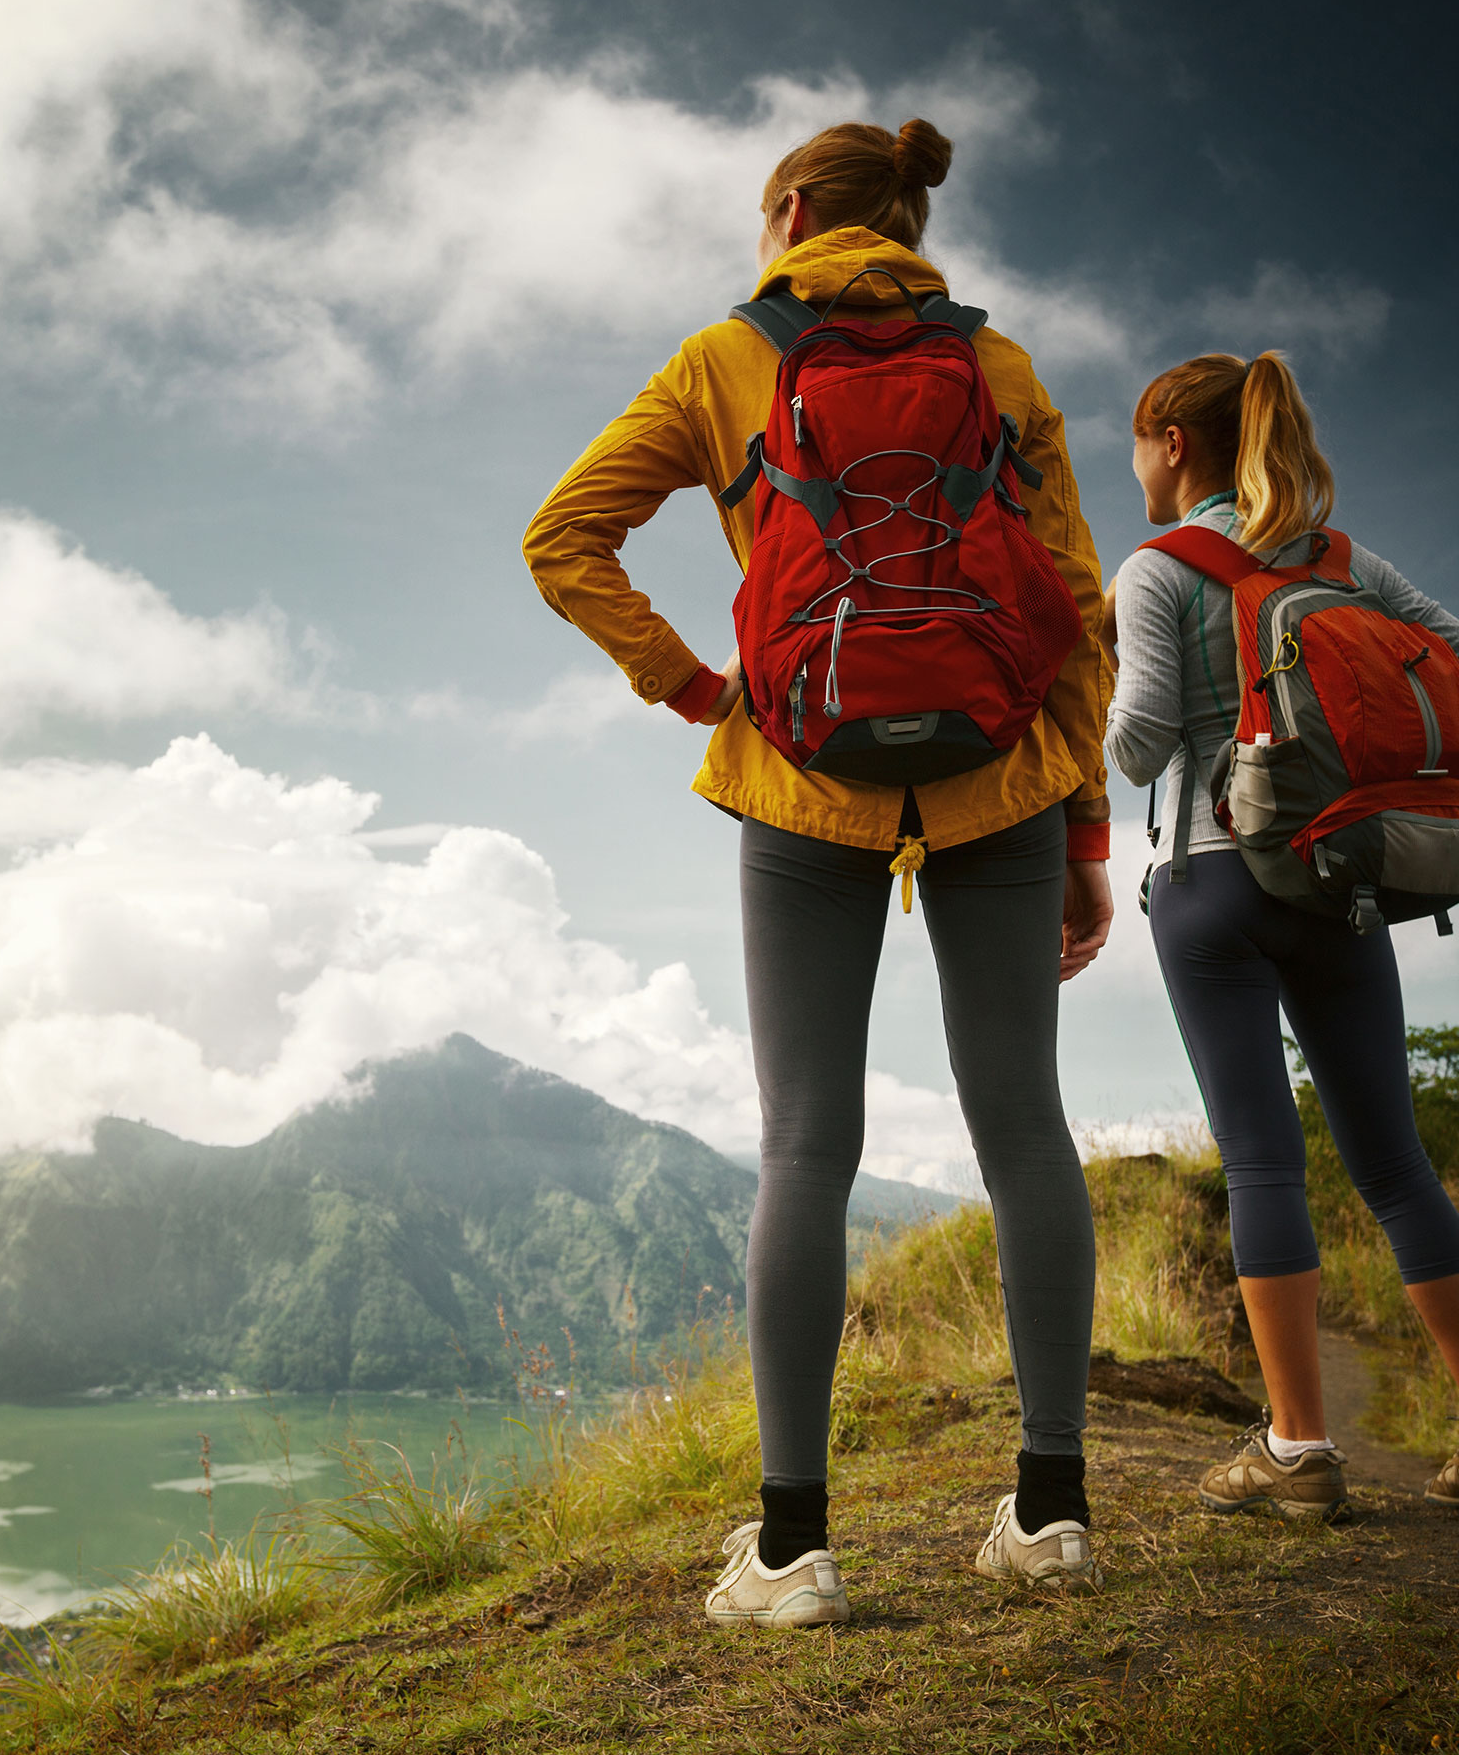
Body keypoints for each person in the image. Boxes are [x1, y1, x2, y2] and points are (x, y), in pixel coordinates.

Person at [523, 118, 1116, 1622]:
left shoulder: (724, 358)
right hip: (1002, 780)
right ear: (909, 221)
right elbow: (1080, 607)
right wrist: (1085, 828)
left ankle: (792, 1552)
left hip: (800, 775)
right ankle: (1052, 1517)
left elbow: (563, 538)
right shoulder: (999, 367)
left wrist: (695, 688)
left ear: (788, 213)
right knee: (1025, 1130)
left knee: (805, 1144)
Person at [1105, 350, 1459, 1518]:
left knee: (1263, 1161)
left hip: (1216, 887)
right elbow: (1446, 657)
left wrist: (1102, 679)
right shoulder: (1347, 562)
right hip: (1340, 881)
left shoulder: (1157, 569)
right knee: (1397, 1165)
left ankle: (1299, 1450)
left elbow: (1143, 745)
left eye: (1138, 445)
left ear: (1172, 442)